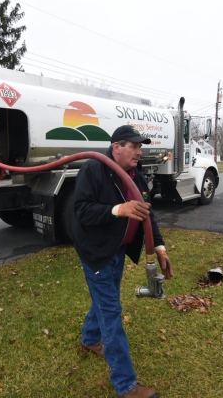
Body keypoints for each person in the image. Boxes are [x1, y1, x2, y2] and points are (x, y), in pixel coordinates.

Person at [72, 125, 174, 398]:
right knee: (111, 310)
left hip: (118, 251)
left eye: (141, 147)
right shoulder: (93, 169)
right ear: (116, 147)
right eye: (134, 146)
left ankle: (91, 339)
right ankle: (126, 385)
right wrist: (119, 209)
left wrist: (160, 248)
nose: (139, 152)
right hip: (97, 252)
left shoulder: (137, 178)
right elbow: (81, 210)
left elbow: (148, 217)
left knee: (104, 300)